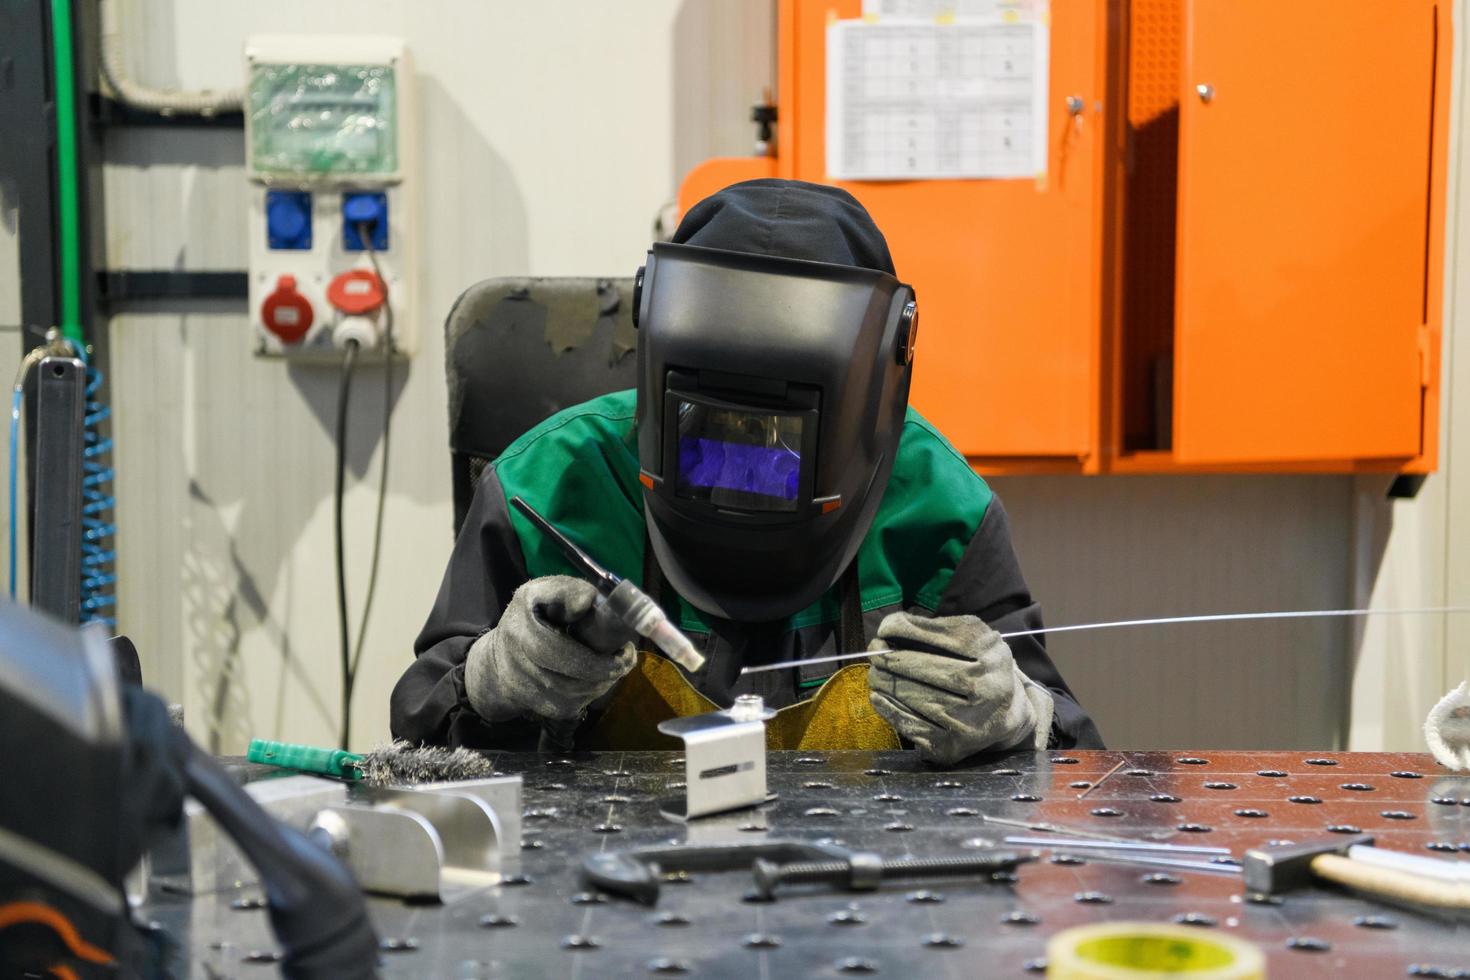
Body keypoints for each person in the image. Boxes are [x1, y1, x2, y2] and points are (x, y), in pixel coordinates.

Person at [391, 179, 1103, 763]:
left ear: (860, 407)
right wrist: (488, 680)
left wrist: (1018, 715)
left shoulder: (937, 509)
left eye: (781, 442)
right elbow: (418, 730)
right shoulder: (546, 485)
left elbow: (1077, 763)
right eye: (716, 431)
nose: (747, 463)